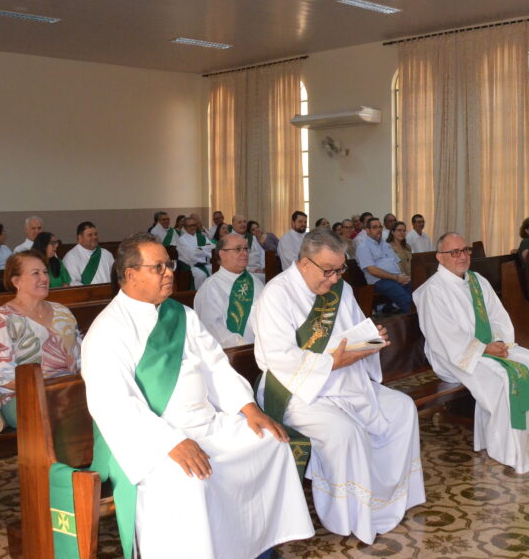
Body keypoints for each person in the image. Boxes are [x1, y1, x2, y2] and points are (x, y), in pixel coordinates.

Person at [81, 233, 314, 559]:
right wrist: (170, 442)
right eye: (158, 267)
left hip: (206, 424)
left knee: (269, 442)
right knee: (192, 478)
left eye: (169, 264)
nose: (168, 272)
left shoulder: (182, 315)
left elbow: (217, 368)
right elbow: (114, 404)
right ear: (130, 274)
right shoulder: (108, 330)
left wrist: (249, 409)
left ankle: (253, 547)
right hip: (150, 439)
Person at [251, 228, 425, 544]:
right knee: (345, 433)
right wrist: (333, 362)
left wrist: (373, 340)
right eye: (328, 270)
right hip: (293, 390)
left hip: (344, 380)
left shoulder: (338, 288)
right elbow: (279, 358)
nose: (334, 278)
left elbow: (355, 330)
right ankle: (351, 516)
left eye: (340, 269)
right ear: (304, 263)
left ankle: (391, 498)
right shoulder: (276, 295)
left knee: (403, 409)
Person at [414, 231, 529, 473]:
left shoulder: (476, 281)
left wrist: (499, 342)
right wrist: (484, 349)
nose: (462, 256)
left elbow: (498, 316)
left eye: (465, 250)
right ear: (440, 258)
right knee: (505, 378)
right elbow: (445, 336)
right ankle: (507, 448)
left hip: (488, 347)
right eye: (454, 252)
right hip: (454, 357)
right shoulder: (434, 290)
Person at [0, 251, 81, 428]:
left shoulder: (63, 312)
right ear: (16, 281)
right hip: (22, 397)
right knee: (64, 415)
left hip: (67, 392)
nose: (44, 278)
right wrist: (48, 391)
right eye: (35, 273)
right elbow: (1, 376)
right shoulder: (3, 317)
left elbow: (80, 359)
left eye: (45, 272)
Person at [194, 232, 263, 348]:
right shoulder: (210, 288)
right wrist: (245, 349)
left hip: (263, 350)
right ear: (222, 254)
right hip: (234, 355)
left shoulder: (256, 282)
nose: (244, 253)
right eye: (238, 249)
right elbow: (214, 329)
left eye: (246, 249)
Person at [356, 217, 413, 313]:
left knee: (415, 290)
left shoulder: (385, 244)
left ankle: (408, 317)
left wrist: (402, 277)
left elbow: (396, 262)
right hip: (379, 281)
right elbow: (372, 270)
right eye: (374, 227)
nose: (378, 230)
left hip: (395, 278)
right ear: (367, 230)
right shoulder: (363, 247)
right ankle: (415, 320)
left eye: (380, 227)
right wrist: (396, 278)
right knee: (404, 298)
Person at [63, 221, 114, 286]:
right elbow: (73, 283)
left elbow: (114, 276)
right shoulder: (71, 257)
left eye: (95, 234)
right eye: (90, 235)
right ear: (80, 238)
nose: (94, 237)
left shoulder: (106, 254)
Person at [176, 216, 214, 289]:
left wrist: (199, 250)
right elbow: (191, 255)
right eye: (189, 226)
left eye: (194, 225)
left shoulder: (201, 237)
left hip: (205, 264)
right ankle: (196, 296)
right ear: (185, 227)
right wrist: (204, 249)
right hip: (191, 265)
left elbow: (212, 247)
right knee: (201, 275)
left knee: (214, 271)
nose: (192, 227)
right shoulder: (182, 240)